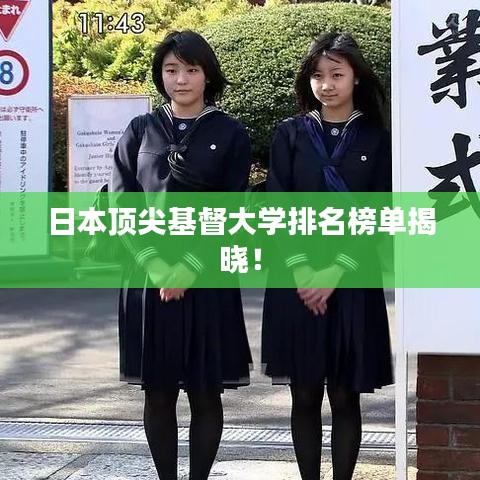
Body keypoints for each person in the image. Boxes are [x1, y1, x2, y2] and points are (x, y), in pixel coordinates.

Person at [110, 30, 253, 480]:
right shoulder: (140, 129)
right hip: (148, 277)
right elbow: (121, 201)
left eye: (191, 69)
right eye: (171, 70)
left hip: (207, 277)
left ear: (207, 75)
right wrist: (154, 262)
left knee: (205, 392)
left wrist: (191, 266)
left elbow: (233, 207)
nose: (181, 79)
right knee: (158, 392)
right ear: (160, 75)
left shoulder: (231, 133)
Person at [261, 32, 393, 480]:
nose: (327, 84)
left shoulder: (377, 138)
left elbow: (379, 210)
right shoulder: (291, 133)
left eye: (337, 74)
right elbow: (276, 203)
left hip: (351, 276)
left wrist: (336, 271)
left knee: (344, 395)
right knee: (303, 395)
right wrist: (302, 270)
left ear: (356, 78)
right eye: (318, 76)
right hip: (294, 278)